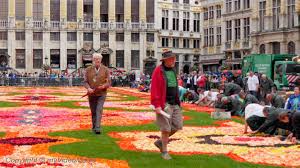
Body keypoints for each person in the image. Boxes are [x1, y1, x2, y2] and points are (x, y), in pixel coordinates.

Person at [151, 50, 182, 160]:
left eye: (174, 58)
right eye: (171, 59)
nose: (174, 61)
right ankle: (164, 151)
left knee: (177, 125)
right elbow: (154, 88)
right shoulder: (158, 71)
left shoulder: (173, 70)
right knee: (166, 129)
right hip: (164, 104)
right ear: (165, 60)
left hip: (175, 103)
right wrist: (157, 105)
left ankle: (160, 142)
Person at [83, 53, 111, 134]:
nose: (97, 60)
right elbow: (85, 82)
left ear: (101, 60)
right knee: (93, 111)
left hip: (102, 94)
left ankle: (98, 128)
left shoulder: (106, 69)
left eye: (98, 59)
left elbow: (109, 82)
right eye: (95, 59)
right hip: (91, 94)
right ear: (93, 60)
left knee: (99, 109)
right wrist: (88, 88)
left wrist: (103, 86)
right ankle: (94, 126)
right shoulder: (88, 70)